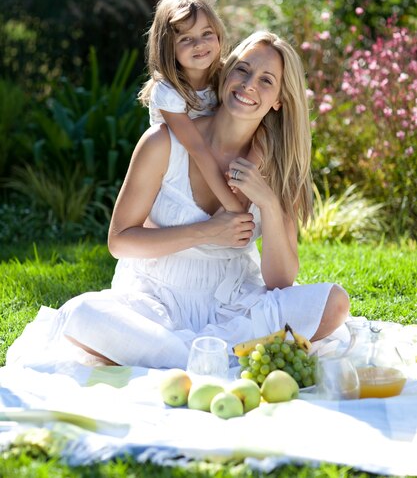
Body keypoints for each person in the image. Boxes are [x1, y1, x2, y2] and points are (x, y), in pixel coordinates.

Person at [7, 31, 350, 371]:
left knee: (334, 303)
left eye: (266, 81)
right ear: (227, 73)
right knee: (82, 316)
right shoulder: (163, 143)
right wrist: (206, 232)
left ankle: (189, 357)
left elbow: (280, 282)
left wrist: (270, 206)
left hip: (234, 305)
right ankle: (219, 358)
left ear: (278, 99)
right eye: (242, 70)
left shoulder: (278, 165)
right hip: (154, 303)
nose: (249, 85)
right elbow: (119, 241)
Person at [139, 0, 245, 213]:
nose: (199, 44)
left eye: (207, 33)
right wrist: (233, 206)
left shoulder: (225, 77)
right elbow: (197, 149)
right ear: (167, 47)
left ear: (218, 34)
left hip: (218, 166)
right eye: (186, 39)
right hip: (176, 172)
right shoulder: (168, 91)